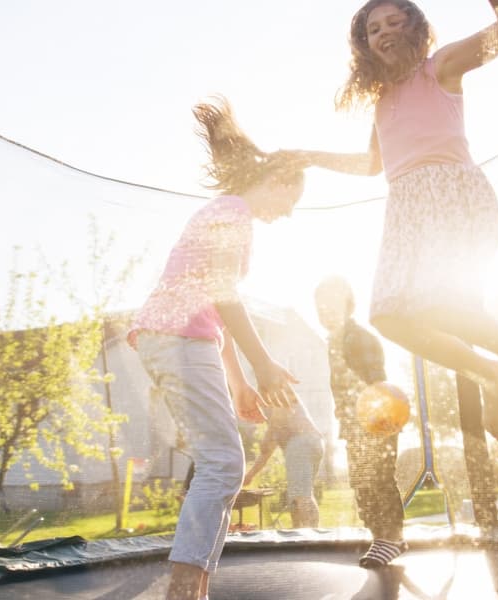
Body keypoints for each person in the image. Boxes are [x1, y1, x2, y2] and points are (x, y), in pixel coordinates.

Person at [288, 0, 498, 440]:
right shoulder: (381, 99)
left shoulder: (441, 67)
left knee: (442, 304)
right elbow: (373, 164)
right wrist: (311, 157)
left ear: (417, 29)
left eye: (395, 21)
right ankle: (490, 370)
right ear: (365, 45)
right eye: (374, 29)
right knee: (390, 315)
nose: (385, 31)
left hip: (452, 196)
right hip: (406, 209)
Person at [129, 97, 306, 600]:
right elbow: (226, 294)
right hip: (177, 337)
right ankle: (184, 591)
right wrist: (264, 363)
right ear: (278, 181)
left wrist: (240, 382)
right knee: (223, 462)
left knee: (221, 460)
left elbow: (213, 308)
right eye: (290, 200)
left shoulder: (226, 213)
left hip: (182, 337)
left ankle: (194, 588)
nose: (287, 213)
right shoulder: (232, 212)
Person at [314, 275, 406, 568]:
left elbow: (377, 382)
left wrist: (379, 421)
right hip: (356, 426)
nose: (325, 312)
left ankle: (390, 538)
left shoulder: (359, 339)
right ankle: (382, 536)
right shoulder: (334, 341)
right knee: (362, 481)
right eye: (320, 307)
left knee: (378, 479)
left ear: (347, 306)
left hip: (377, 421)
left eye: (331, 305)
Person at [243, 403, 325, 528]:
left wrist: (268, 434)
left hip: (299, 443)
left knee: (301, 495)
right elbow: (266, 452)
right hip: (313, 442)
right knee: (296, 497)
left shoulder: (272, 391)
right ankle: (298, 535)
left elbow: (278, 415)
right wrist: (250, 475)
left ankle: (313, 537)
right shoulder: (271, 401)